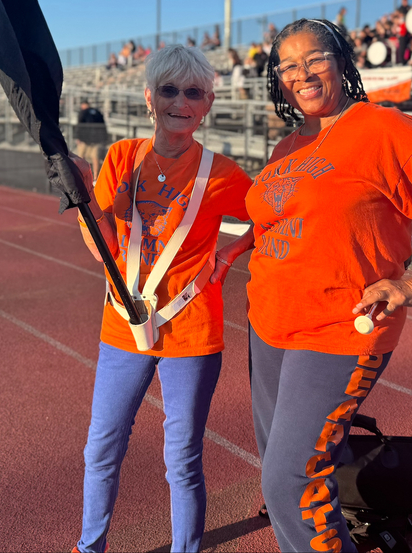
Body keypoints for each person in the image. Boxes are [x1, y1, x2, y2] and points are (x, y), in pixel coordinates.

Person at [215, 18, 412, 553]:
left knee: (289, 481)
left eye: (315, 58)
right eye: (288, 65)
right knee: (285, 460)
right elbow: (284, 214)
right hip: (270, 323)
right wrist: (240, 243)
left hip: (341, 329)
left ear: (341, 61)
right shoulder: (287, 146)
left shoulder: (381, 128)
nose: (303, 72)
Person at [69, 45, 254, 553]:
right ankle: (90, 547)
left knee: (182, 459)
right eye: (169, 90)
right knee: (102, 448)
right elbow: (101, 241)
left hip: (192, 331)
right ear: (150, 97)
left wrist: (230, 254)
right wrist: (85, 198)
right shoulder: (122, 156)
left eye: (192, 92)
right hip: (123, 327)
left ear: (207, 104)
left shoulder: (221, 173)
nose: (180, 101)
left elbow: (270, 214)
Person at [75, 99, 108, 175]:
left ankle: (81, 174)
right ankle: (96, 176)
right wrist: (104, 137)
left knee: (81, 157)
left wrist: (78, 137)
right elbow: (103, 125)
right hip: (97, 139)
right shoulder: (97, 112)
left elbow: (79, 125)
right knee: (95, 157)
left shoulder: (83, 112)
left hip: (84, 139)